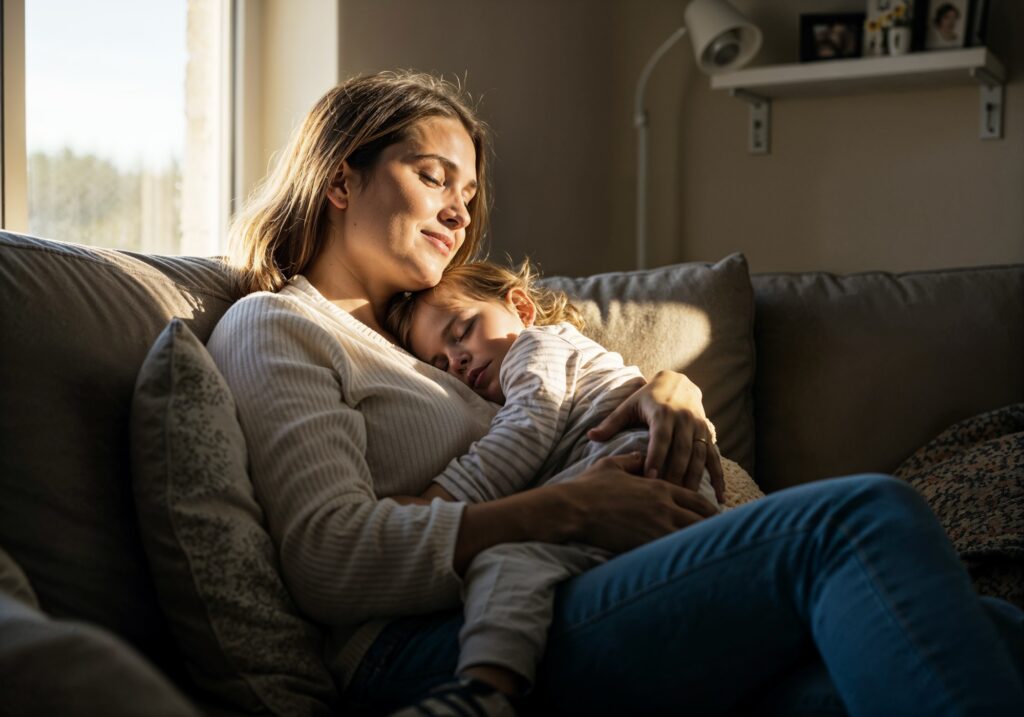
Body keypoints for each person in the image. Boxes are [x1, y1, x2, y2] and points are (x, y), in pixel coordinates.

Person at [207, 70, 1024, 716]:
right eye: (433, 177)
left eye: (467, 197)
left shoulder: (435, 340)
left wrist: (669, 388)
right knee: (858, 517)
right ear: (341, 180)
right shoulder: (278, 326)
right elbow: (327, 559)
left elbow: (561, 392)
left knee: (976, 633)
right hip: (433, 649)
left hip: (574, 590)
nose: (458, 212)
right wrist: (573, 509)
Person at [383, 259, 723, 706]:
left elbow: (527, 428)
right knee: (514, 562)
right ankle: (486, 691)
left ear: (521, 308)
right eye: (439, 363)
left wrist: (440, 498)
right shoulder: (501, 380)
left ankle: (486, 690)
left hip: (640, 470)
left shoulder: (537, 346)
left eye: (462, 331)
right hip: (628, 485)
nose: (456, 360)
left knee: (508, 563)